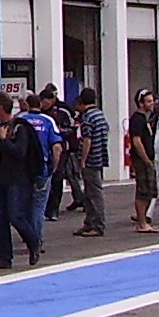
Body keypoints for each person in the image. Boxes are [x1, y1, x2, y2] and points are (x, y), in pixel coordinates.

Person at [0, 92, 43, 271]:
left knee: (15, 215)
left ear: (0, 108)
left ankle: (33, 242)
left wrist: (3, 141)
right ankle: (4, 257)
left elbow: (20, 152)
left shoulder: (19, 128)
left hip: (17, 178)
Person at [126, 98, 159, 231]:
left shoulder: (146, 118)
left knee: (150, 191)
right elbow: (136, 141)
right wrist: (146, 159)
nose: (152, 103)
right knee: (143, 191)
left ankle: (143, 221)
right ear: (141, 103)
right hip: (142, 161)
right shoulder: (137, 119)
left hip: (149, 159)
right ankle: (142, 223)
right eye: (148, 101)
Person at [73, 89, 109, 236]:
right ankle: (89, 222)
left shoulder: (87, 118)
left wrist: (83, 159)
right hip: (100, 156)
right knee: (89, 193)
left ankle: (98, 225)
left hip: (91, 159)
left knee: (94, 193)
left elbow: (87, 139)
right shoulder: (100, 115)